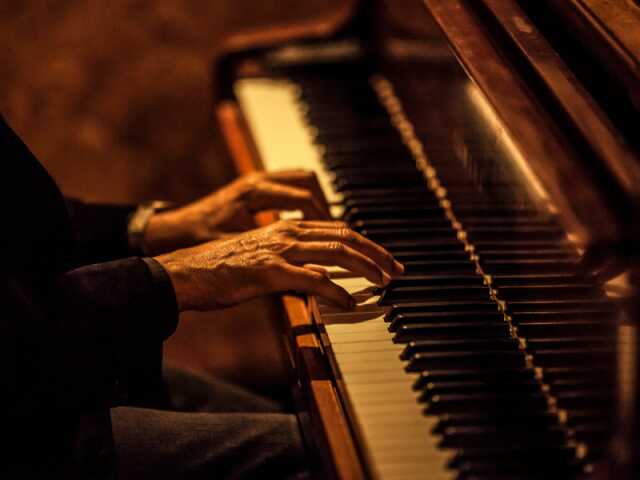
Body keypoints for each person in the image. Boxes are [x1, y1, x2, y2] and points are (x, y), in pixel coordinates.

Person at [1, 114, 403, 479]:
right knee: (346, 456)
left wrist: (159, 226)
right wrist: (180, 275)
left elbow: (13, 216)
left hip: (49, 366)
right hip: (25, 422)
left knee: (327, 423)